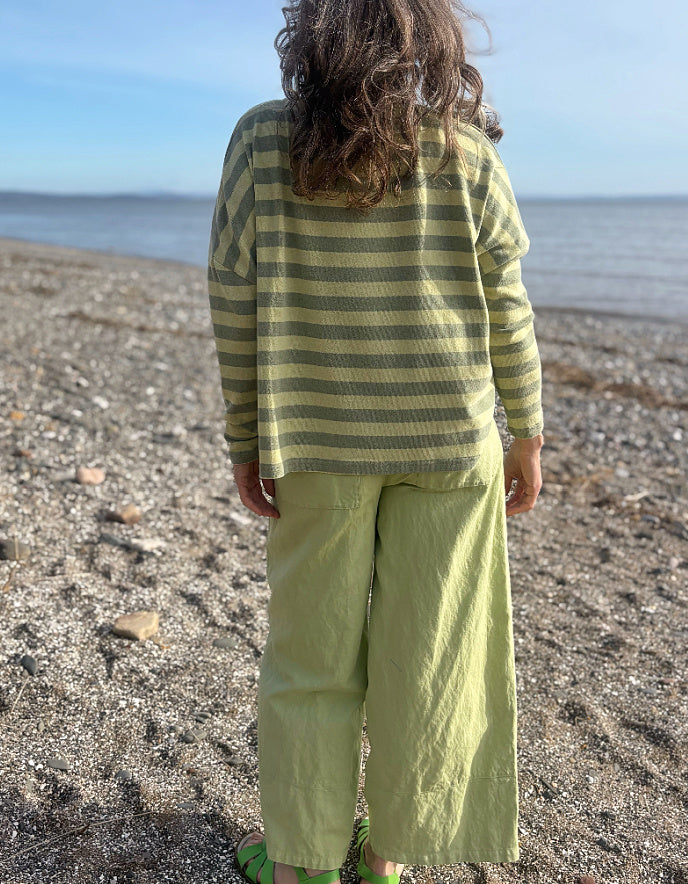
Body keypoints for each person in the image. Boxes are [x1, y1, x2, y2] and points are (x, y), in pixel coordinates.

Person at [207, 0, 544, 881]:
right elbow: (506, 303)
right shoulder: (464, 149)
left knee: (310, 663)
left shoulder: (258, 141)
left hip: (316, 445)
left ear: (309, 38)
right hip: (449, 447)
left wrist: (246, 437)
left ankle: (304, 867)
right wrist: (528, 430)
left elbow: (234, 303)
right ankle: (386, 862)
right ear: (429, 42)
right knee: (428, 663)